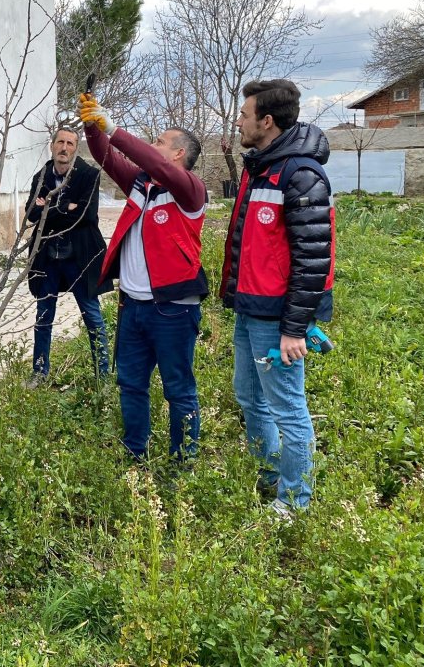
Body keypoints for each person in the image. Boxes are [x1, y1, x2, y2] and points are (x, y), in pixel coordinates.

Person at [222, 79, 335, 517]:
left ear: (266, 121)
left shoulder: (300, 174)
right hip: (251, 310)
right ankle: (269, 474)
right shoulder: (260, 168)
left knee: (288, 408)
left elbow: (313, 259)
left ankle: (294, 502)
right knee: (249, 397)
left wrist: (293, 329)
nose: (239, 121)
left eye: (245, 114)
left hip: (277, 320)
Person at [79, 95, 208, 462]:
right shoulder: (142, 185)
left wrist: (113, 127)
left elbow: (147, 159)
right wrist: (92, 123)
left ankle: (183, 461)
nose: (153, 147)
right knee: (131, 384)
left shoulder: (189, 190)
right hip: (132, 307)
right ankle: (135, 452)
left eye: (160, 143)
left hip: (173, 311)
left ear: (179, 153)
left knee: (178, 389)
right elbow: (106, 156)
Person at [25, 126, 112, 382]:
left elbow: (86, 216)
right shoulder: (41, 177)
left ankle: (103, 375)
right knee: (43, 317)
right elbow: (31, 214)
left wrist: (50, 207)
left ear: (76, 148)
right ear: (52, 145)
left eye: (70, 143)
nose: (64, 148)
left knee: (92, 317)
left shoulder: (88, 175)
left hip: (79, 258)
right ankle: (39, 371)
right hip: (48, 258)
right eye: (60, 142)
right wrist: (66, 207)